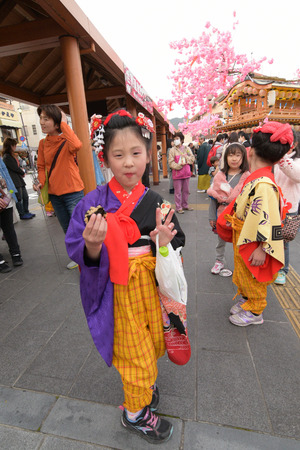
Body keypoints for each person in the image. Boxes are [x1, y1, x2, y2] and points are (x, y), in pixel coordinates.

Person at [65, 109, 185, 444]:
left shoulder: (156, 201)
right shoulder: (93, 202)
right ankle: (134, 414)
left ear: (149, 154)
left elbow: (178, 242)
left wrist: (163, 242)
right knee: (135, 354)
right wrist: (91, 245)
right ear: (105, 158)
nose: (128, 162)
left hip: (151, 286)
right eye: (118, 155)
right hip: (117, 292)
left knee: (152, 343)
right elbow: (77, 247)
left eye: (136, 153)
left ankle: (143, 387)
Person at [217, 122, 293, 327]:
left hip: (255, 238)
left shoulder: (264, 184)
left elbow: (270, 221)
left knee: (253, 274)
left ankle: (256, 310)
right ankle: (247, 300)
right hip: (245, 232)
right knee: (244, 271)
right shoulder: (259, 179)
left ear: (250, 153)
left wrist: (262, 248)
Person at [33, 104, 85, 270]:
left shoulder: (66, 140)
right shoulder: (42, 143)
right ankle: (77, 257)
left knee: (80, 226)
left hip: (73, 192)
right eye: (41, 118)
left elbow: (77, 145)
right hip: (55, 194)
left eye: (46, 119)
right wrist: (41, 182)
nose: (41, 122)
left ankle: (88, 255)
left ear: (56, 123)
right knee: (67, 228)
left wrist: (64, 123)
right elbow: (41, 166)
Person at [207, 143, 250, 274]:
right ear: (225, 158)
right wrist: (212, 217)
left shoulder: (247, 176)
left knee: (241, 242)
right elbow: (213, 198)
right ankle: (219, 261)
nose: (234, 159)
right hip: (222, 214)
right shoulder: (219, 175)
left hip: (240, 216)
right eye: (231, 155)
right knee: (220, 241)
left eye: (238, 155)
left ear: (243, 158)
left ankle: (242, 264)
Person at [274, 130, 300, 285]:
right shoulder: (275, 159)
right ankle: (270, 267)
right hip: (273, 205)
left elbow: (295, 174)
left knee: (284, 241)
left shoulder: (296, 161)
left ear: (295, 144)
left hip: (289, 208)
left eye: (287, 143)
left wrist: (281, 156)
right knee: (269, 237)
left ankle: (282, 270)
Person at [2, 138, 35, 220]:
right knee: (19, 198)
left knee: (25, 196)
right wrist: (22, 172)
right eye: (14, 145)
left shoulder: (10, 155)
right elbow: (15, 167)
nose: (15, 147)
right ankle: (22, 214)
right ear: (10, 146)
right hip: (14, 181)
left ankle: (26, 211)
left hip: (18, 180)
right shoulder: (7, 157)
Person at [0, 176, 23, 273]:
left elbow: (6, 175)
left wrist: (13, 191)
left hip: (5, 198)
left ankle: (15, 253)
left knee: (9, 229)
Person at [168, 131, 195, 213]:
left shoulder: (187, 149)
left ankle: (185, 205)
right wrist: (178, 166)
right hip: (177, 174)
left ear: (181, 140)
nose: (175, 140)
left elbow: (192, 158)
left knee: (186, 191)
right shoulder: (172, 150)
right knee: (178, 192)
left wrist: (186, 158)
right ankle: (178, 207)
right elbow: (171, 162)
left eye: (177, 138)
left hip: (186, 173)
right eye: (174, 139)